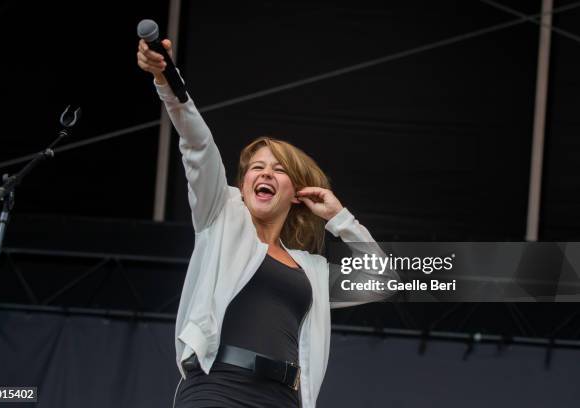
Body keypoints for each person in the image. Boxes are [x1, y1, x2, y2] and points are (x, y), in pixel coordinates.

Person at [137, 38, 396, 408]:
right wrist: (167, 79)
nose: (265, 173)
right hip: (217, 387)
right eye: (256, 167)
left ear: (296, 193)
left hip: (281, 399)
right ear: (242, 185)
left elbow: (383, 279)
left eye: (278, 170)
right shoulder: (221, 215)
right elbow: (198, 145)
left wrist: (340, 218)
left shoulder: (312, 269)